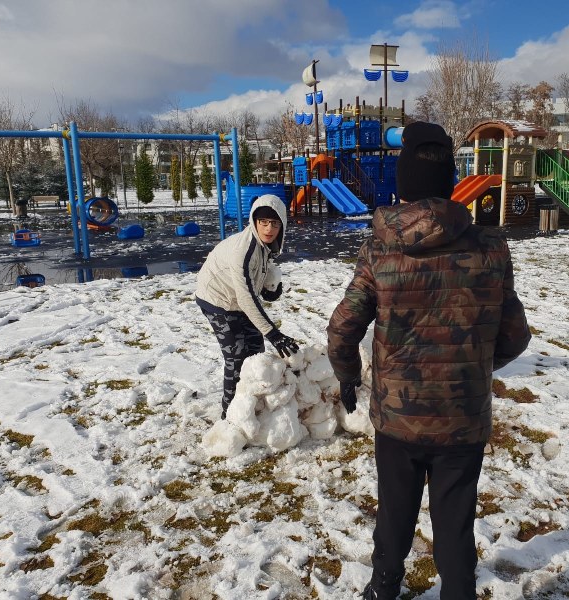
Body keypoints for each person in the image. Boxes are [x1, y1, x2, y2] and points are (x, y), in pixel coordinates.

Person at [327, 122, 531, 599]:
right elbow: (515, 335)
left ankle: (383, 589)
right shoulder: (491, 247)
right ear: (449, 180)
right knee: (456, 522)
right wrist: (474, 367)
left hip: (398, 418)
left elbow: (343, 328)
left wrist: (348, 375)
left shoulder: (381, 247)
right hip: (463, 417)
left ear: (404, 182)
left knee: (394, 513)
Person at [196, 194, 299, 419]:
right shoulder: (243, 250)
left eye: (274, 223)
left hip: (238, 299)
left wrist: (269, 288)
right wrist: (274, 333)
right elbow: (245, 298)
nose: (269, 228)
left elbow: (255, 281)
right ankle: (231, 416)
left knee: (255, 354)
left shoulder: (266, 245)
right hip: (218, 301)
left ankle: (253, 405)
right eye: (263, 222)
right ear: (254, 222)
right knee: (237, 358)